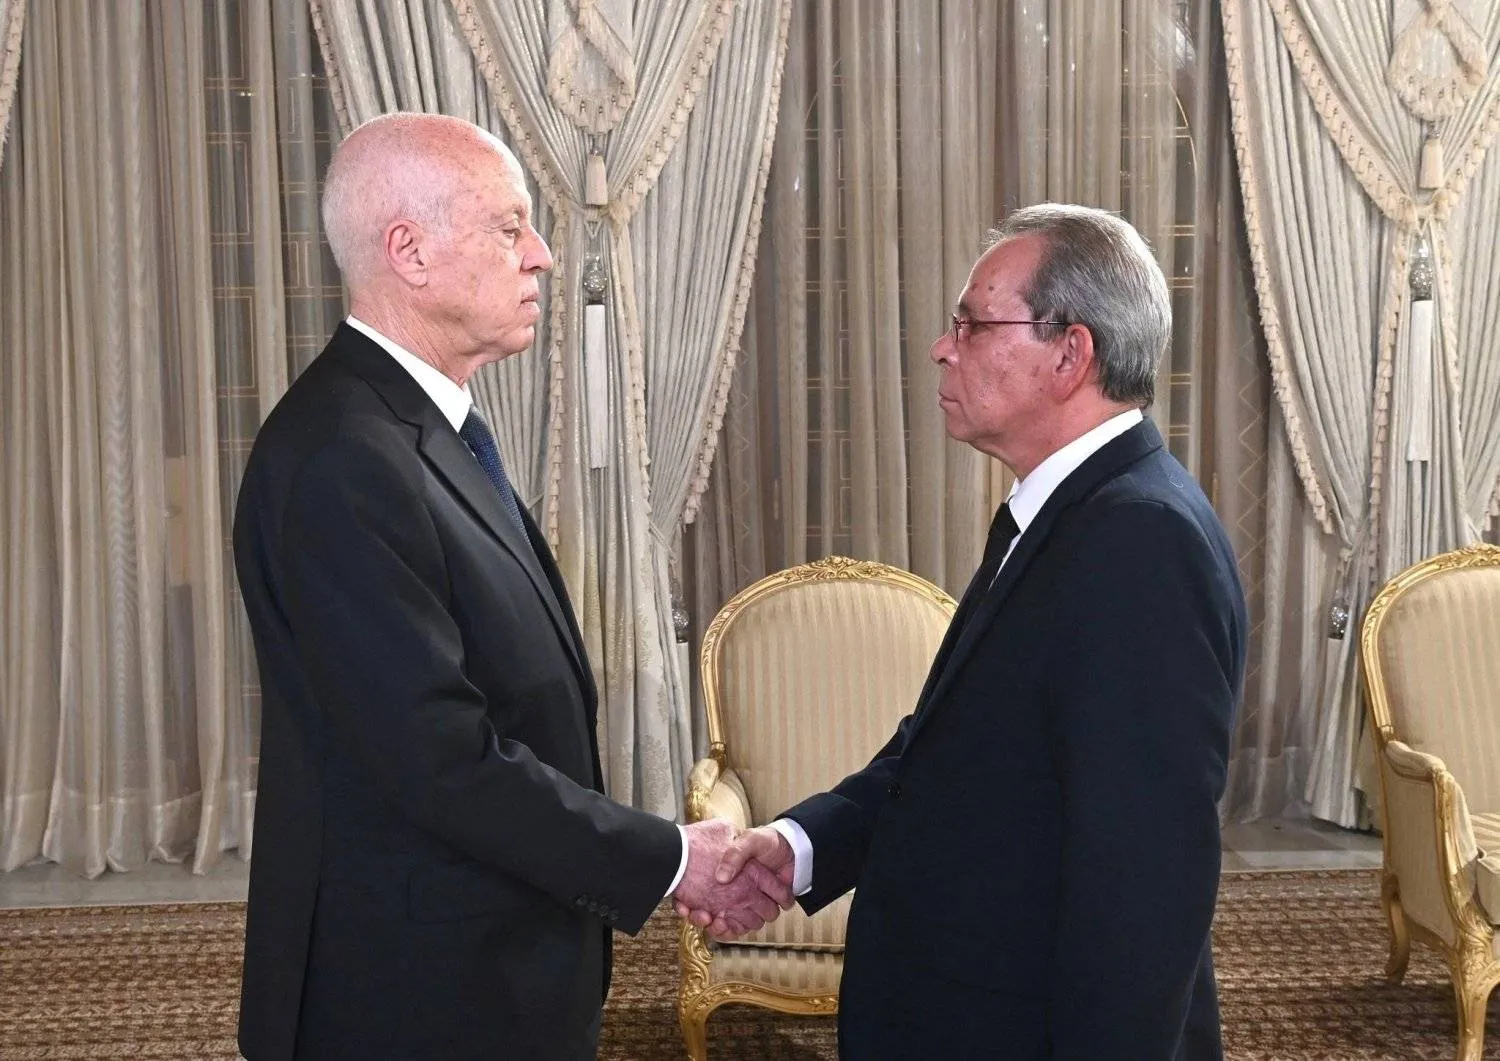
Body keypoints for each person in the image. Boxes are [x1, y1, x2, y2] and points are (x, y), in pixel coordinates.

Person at [233, 112, 790, 1061]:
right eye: (508, 227)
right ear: (409, 251)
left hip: (485, 958)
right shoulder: (344, 457)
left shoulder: (419, 429)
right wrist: (668, 858)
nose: (539, 254)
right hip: (411, 995)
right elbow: (441, 758)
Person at [684, 204, 1248, 1059]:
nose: (943, 348)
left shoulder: (1140, 540)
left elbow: (1144, 877)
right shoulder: (1068, 509)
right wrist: (800, 845)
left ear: (1070, 354)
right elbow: (953, 751)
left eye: (973, 324)